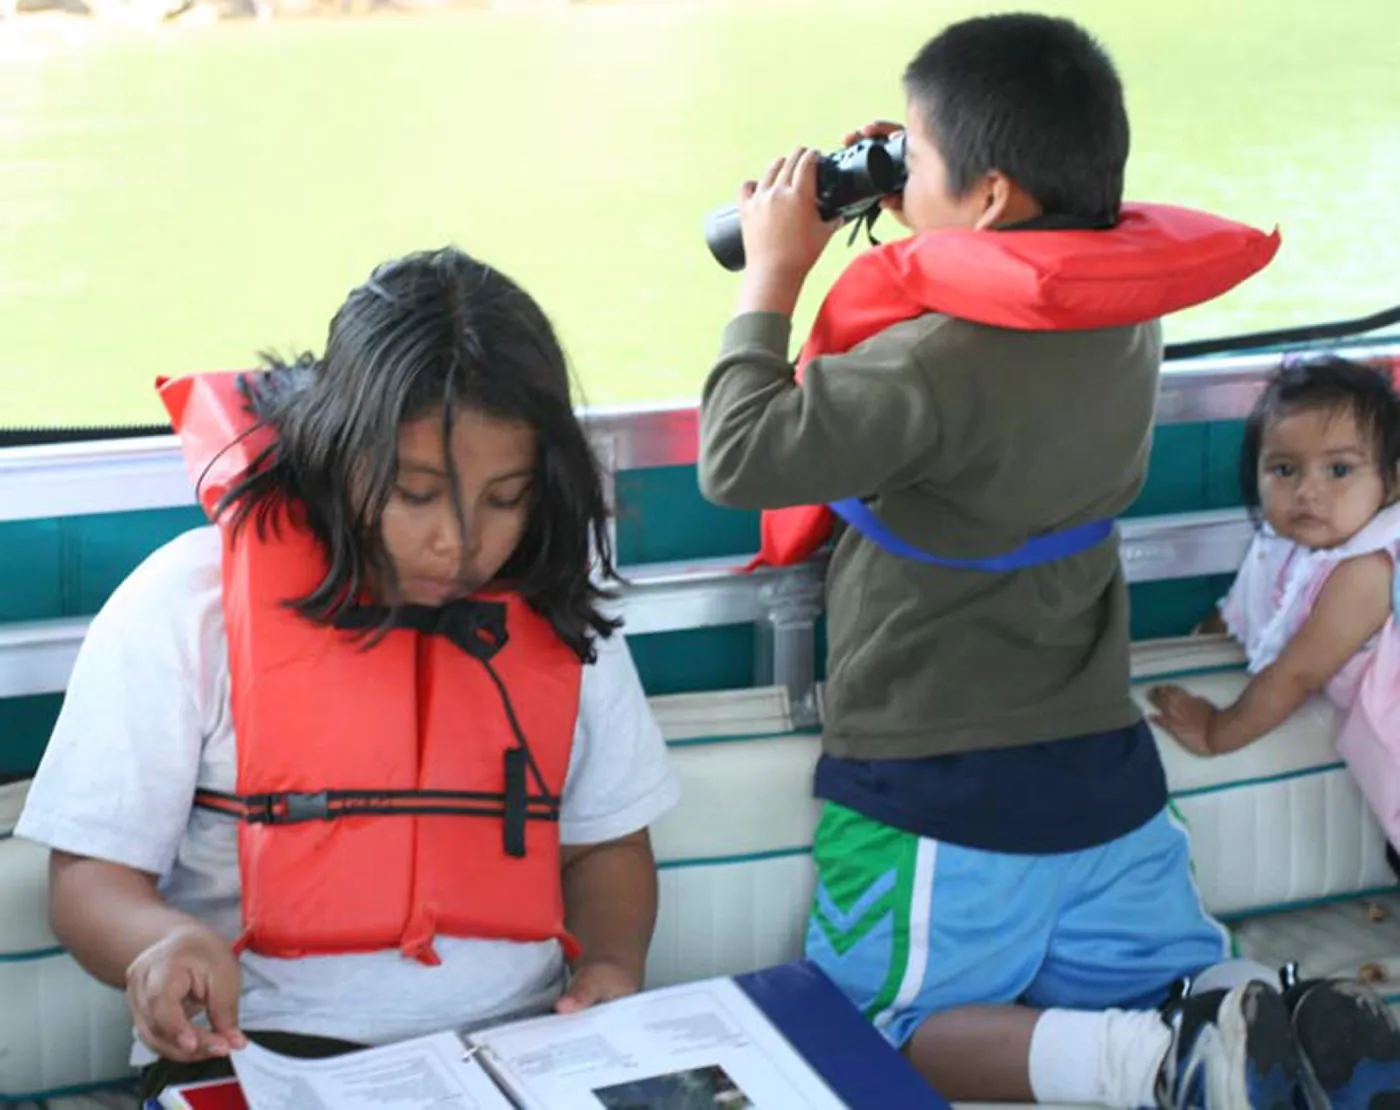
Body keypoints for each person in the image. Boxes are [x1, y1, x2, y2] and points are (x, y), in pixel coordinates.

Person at [696, 11, 1400, 1108]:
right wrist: (931, 191)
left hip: (937, 785)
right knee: (1171, 979)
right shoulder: (1129, 323)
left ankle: (1155, 1066)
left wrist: (770, 280)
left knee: (877, 1030)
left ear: (984, 198)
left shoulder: (918, 365)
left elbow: (735, 456)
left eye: (913, 159)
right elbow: (1022, 279)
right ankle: (1267, 1016)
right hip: (1103, 777)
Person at [16, 246, 680, 1100]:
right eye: (415, 494)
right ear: (335, 453)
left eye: (506, 499)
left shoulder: (561, 612)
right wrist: (155, 945)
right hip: (257, 1057)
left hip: (521, 1051)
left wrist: (614, 965)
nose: (461, 541)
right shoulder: (186, 604)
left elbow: (610, 848)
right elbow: (89, 879)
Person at [1151, 357, 1400, 870]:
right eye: (1284, 470)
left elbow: (1297, 672)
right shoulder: (1284, 545)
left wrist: (1217, 731)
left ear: (1391, 483)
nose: (1308, 491)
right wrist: (1210, 635)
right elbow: (1245, 606)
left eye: (1339, 470)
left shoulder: (1368, 571)